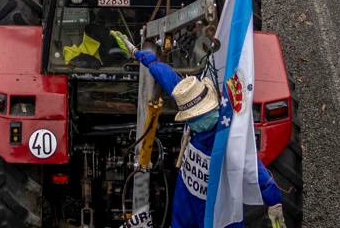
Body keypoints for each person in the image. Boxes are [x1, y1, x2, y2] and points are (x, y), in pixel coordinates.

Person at [111, 32, 285, 228]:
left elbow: (258, 175)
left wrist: (274, 203)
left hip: (205, 207)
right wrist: (137, 53)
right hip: (197, 204)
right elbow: (165, 75)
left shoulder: (227, 141)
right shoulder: (213, 120)